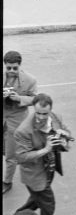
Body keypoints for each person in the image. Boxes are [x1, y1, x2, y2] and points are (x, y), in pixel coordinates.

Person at [14, 94, 71, 215]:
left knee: (37, 197)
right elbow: (21, 157)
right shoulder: (23, 130)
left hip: (49, 168)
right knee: (48, 202)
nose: (41, 117)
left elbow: (66, 132)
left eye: (44, 113)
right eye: (38, 113)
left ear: (50, 110)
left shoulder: (55, 117)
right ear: (34, 108)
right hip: (35, 173)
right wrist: (46, 149)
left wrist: (63, 138)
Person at [3, 51, 38, 194]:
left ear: (20, 65)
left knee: (11, 155)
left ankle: (7, 181)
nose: (11, 71)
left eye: (15, 68)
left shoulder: (30, 80)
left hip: (15, 122)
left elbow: (35, 99)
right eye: (8, 68)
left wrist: (18, 98)